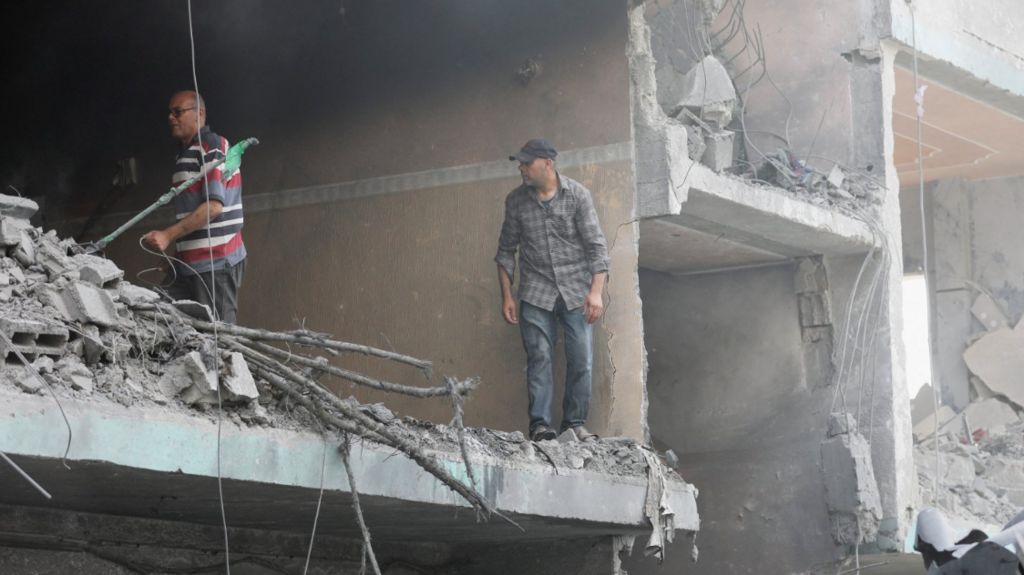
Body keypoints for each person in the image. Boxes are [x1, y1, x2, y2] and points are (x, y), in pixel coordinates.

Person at [495, 138, 609, 442]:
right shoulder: (516, 201)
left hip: (576, 291)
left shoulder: (578, 196)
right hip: (535, 292)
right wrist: (506, 295)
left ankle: (574, 424)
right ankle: (540, 427)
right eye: (519, 163)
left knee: (581, 359)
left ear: (548, 163)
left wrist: (596, 291)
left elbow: (597, 247)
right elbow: (506, 251)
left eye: (526, 163)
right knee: (540, 358)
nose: (521, 168)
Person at [143, 91, 246, 324]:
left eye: (177, 112)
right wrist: (178, 255)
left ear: (199, 113)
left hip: (216, 263)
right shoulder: (185, 154)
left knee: (219, 337)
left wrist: (168, 235)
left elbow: (213, 207)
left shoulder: (212, 146)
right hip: (188, 265)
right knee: (159, 318)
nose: (171, 117)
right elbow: (194, 210)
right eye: (169, 112)